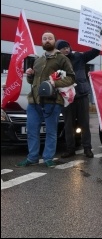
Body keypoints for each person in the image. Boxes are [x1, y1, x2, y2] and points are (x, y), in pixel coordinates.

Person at [15, 31, 75, 168]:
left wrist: (56, 83)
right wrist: (30, 75)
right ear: (41, 42)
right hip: (34, 101)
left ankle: (48, 157)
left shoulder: (62, 59)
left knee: (51, 131)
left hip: (52, 101)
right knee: (31, 130)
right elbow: (32, 81)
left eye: (50, 38)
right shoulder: (38, 60)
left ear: (54, 41)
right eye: (44, 38)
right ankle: (32, 157)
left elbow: (71, 78)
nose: (47, 40)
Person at [55, 28, 102, 159]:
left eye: (67, 47)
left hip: (82, 95)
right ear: (58, 51)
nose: (66, 50)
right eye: (63, 48)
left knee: (85, 124)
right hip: (66, 98)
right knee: (68, 125)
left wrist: (99, 38)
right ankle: (70, 149)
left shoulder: (79, 57)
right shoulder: (56, 63)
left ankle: (87, 149)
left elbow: (95, 52)